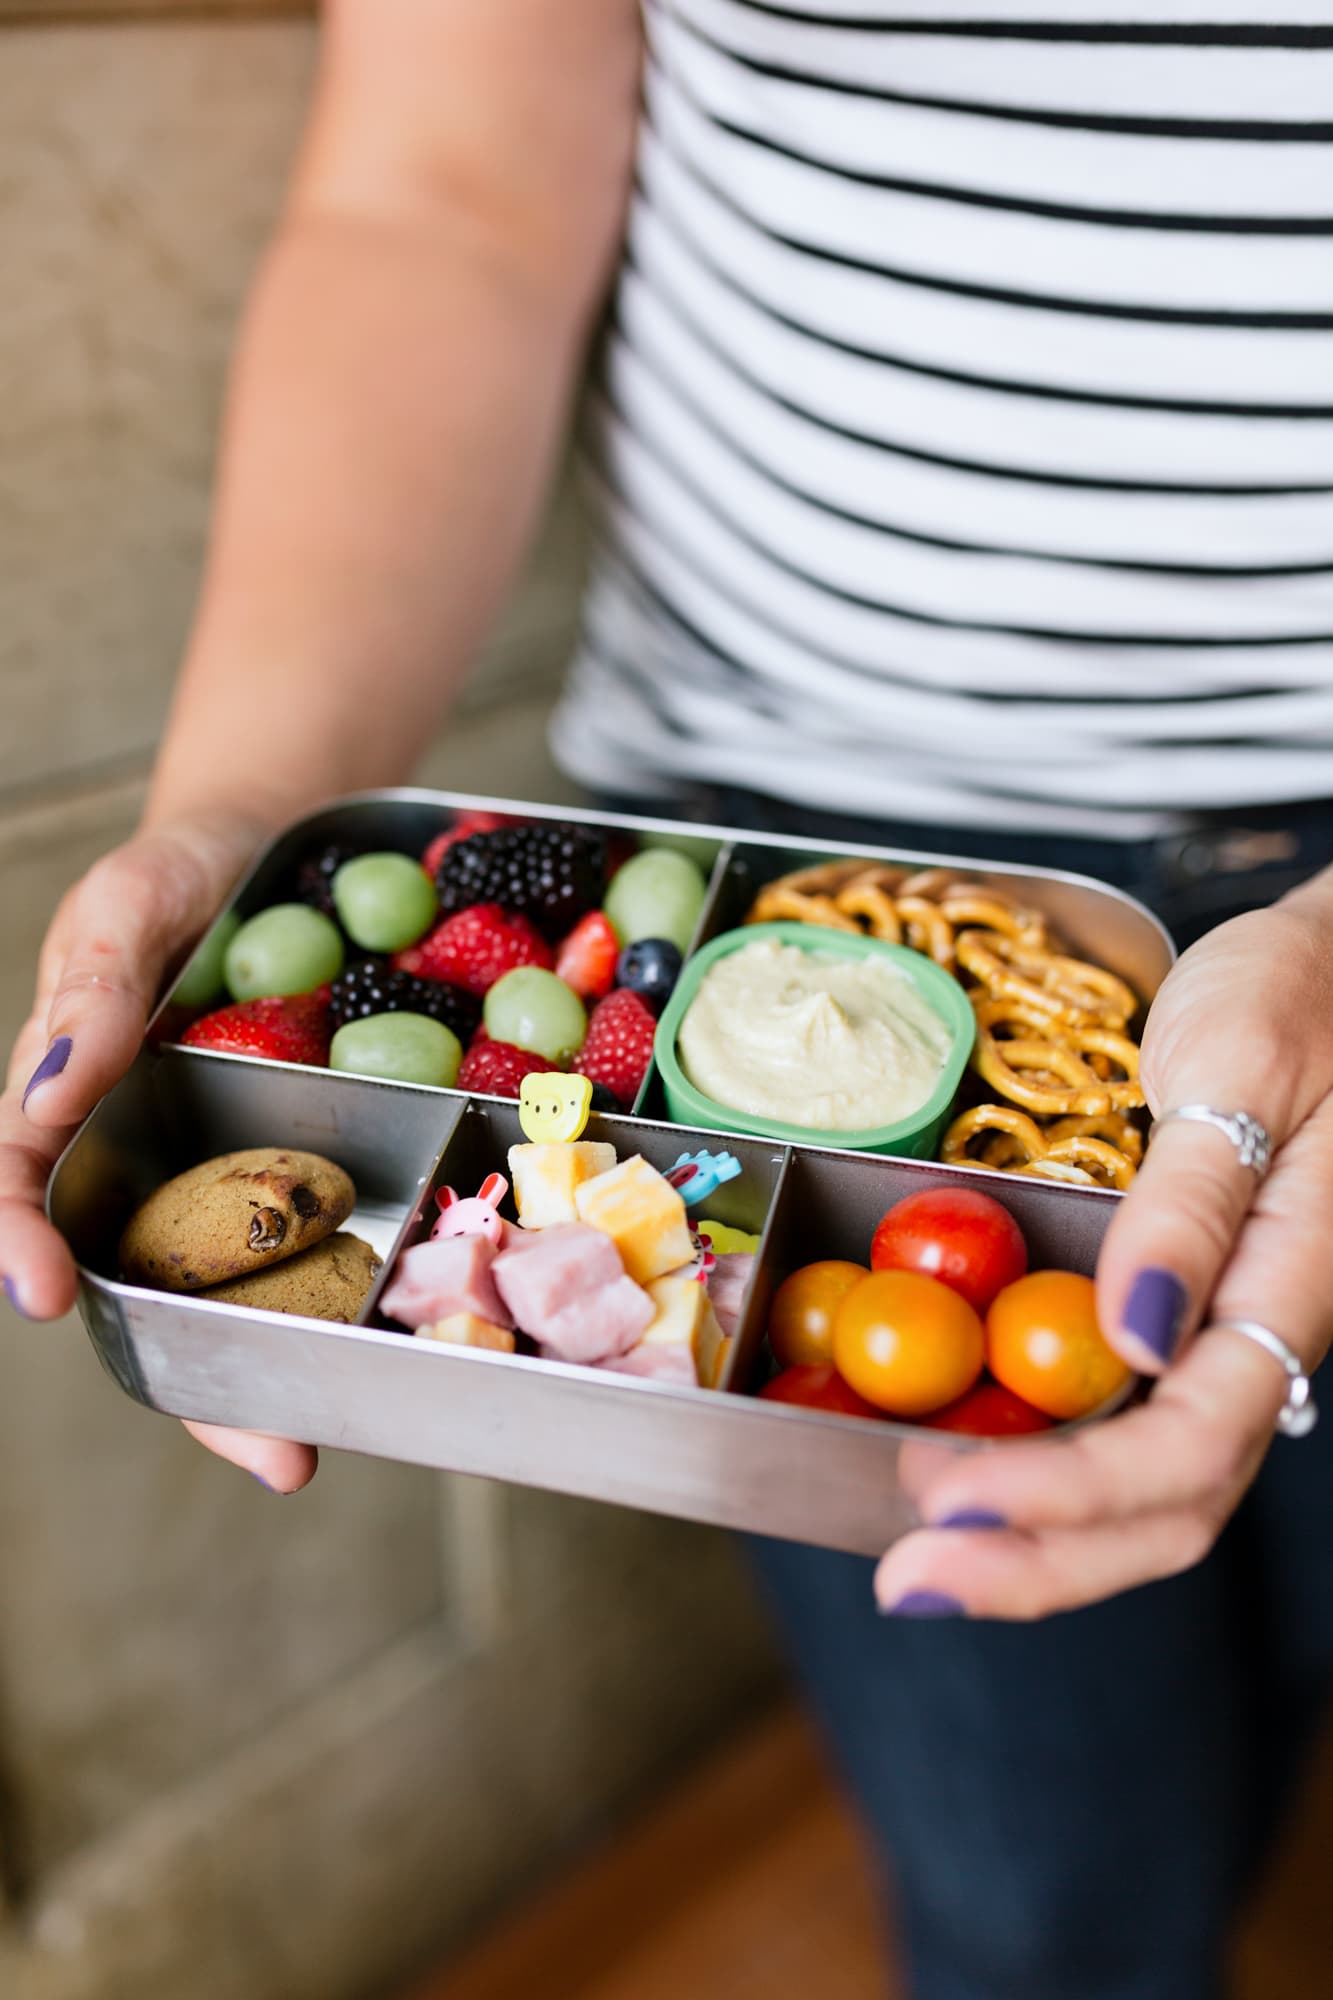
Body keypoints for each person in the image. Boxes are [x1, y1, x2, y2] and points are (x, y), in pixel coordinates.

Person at [4, 5, 1331, 1995]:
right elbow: (444, 199)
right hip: (775, 850)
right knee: (1039, 1891)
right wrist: (231, 810)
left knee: (1279, 1680)